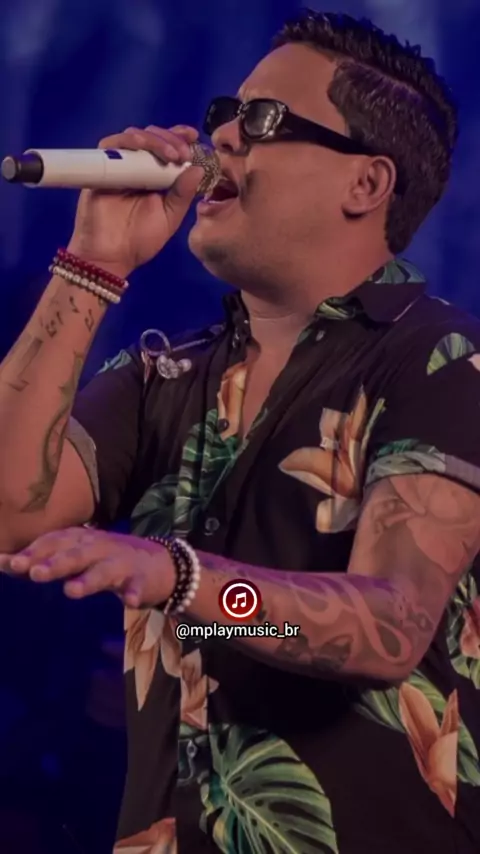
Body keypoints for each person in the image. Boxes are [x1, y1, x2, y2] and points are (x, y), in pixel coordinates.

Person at [1, 8, 480, 853]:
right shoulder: (162, 376)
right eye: (225, 112)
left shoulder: (441, 360)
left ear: (365, 184)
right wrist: (93, 264)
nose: (220, 135)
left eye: (261, 119)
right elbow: (11, 514)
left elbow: (391, 627)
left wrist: (183, 578)